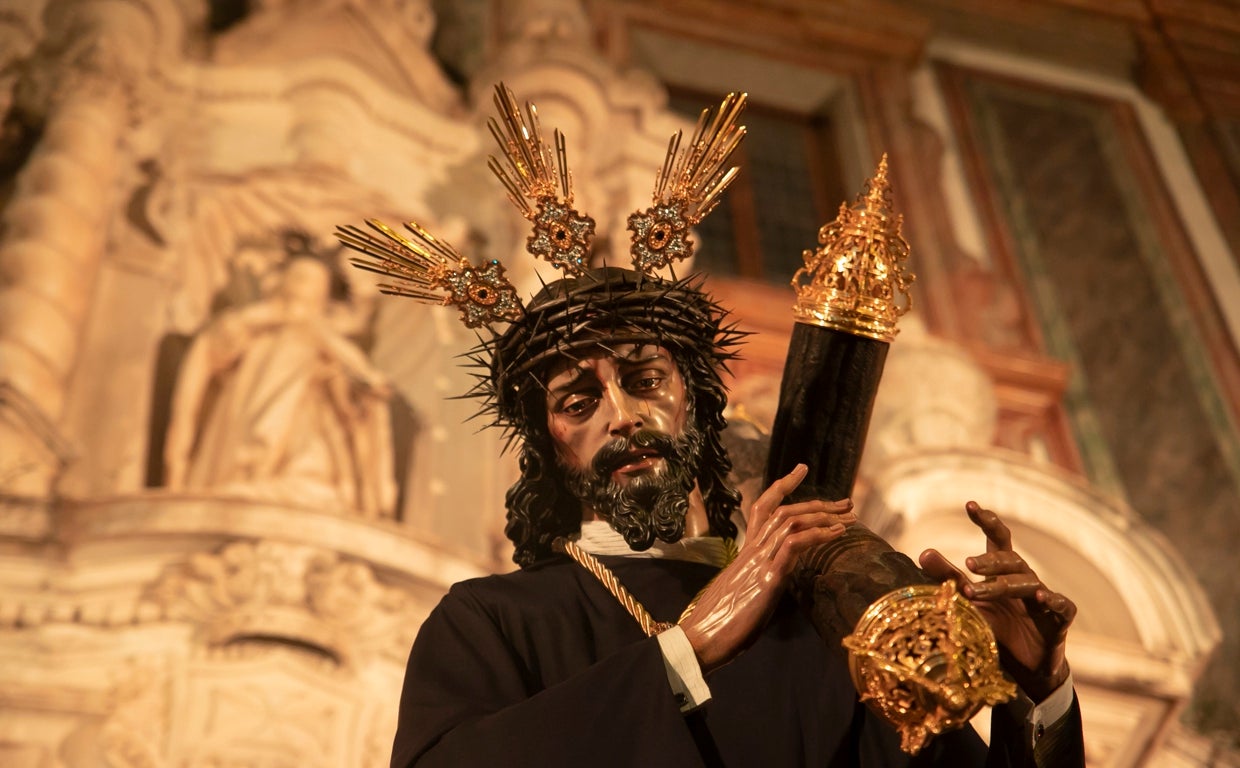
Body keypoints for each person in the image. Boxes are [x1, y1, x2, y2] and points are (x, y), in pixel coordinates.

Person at [387, 268, 1084, 767]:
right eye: (577, 402)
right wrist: (682, 654)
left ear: (694, 396)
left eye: (644, 380)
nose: (622, 416)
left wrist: (1040, 696)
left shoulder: (826, 621)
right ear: (549, 446)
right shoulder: (493, 621)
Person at [165, 255, 396, 517]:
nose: (300, 285)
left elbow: (359, 389)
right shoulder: (258, 329)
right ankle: (248, 474)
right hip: (246, 411)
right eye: (296, 275)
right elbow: (213, 352)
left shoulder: (329, 342)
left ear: (323, 295)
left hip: (309, 423)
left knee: (309, 466)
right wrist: (264, 317)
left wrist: (345, 382)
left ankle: (302, 478)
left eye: (309, 279)